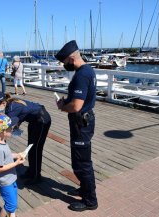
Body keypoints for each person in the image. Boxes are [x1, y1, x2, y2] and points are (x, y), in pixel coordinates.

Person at [55, 40, 98, 212]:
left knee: (82, 164)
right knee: (81, 161)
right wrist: (66, 101)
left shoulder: (81, 75)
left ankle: (90, 201)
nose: (64, 65)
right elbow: (80, 99)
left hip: (81, 124)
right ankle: (84, 188)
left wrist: (62, 107)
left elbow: (77, 106)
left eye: (64, 62)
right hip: (83, 122)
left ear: (71, 59)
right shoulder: (87, 70)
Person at [0, 92, 51, 185]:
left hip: (42, 119)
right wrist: (17, 126)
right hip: (33, 120)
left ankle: (36, 176)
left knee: (36, 148)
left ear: (2, 102)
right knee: (30, 146)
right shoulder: (10, 105)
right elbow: (19, 116)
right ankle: (31, 171)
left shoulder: (12, 108)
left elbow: (4, 127)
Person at [0, 115, 25, 217]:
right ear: (3, 132)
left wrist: (17, 155)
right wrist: (16, 163)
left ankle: (11, 214)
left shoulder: (2, 142)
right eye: (10, 128)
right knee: (10, 205)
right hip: (4, 181)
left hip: (10, 178)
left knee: (12, 202)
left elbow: (7, 156)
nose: (12, 129)